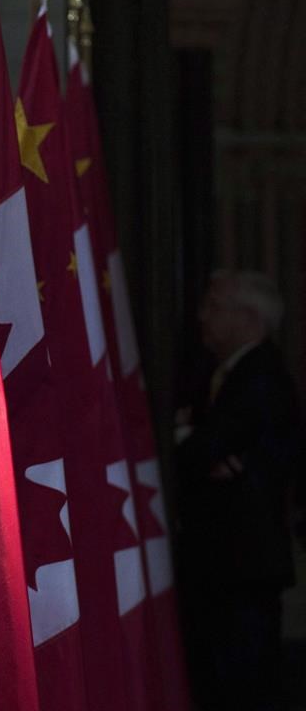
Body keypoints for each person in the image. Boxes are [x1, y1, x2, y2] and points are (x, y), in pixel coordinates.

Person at [176, 270, 300, 711]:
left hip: (243, 563)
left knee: (243, 685)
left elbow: (201, 449)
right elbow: (200, 452)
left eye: (215, 307)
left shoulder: (261, 376)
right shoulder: (217, 373)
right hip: (221, 562)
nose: (202, 316)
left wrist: (190, 439)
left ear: (249, 318)